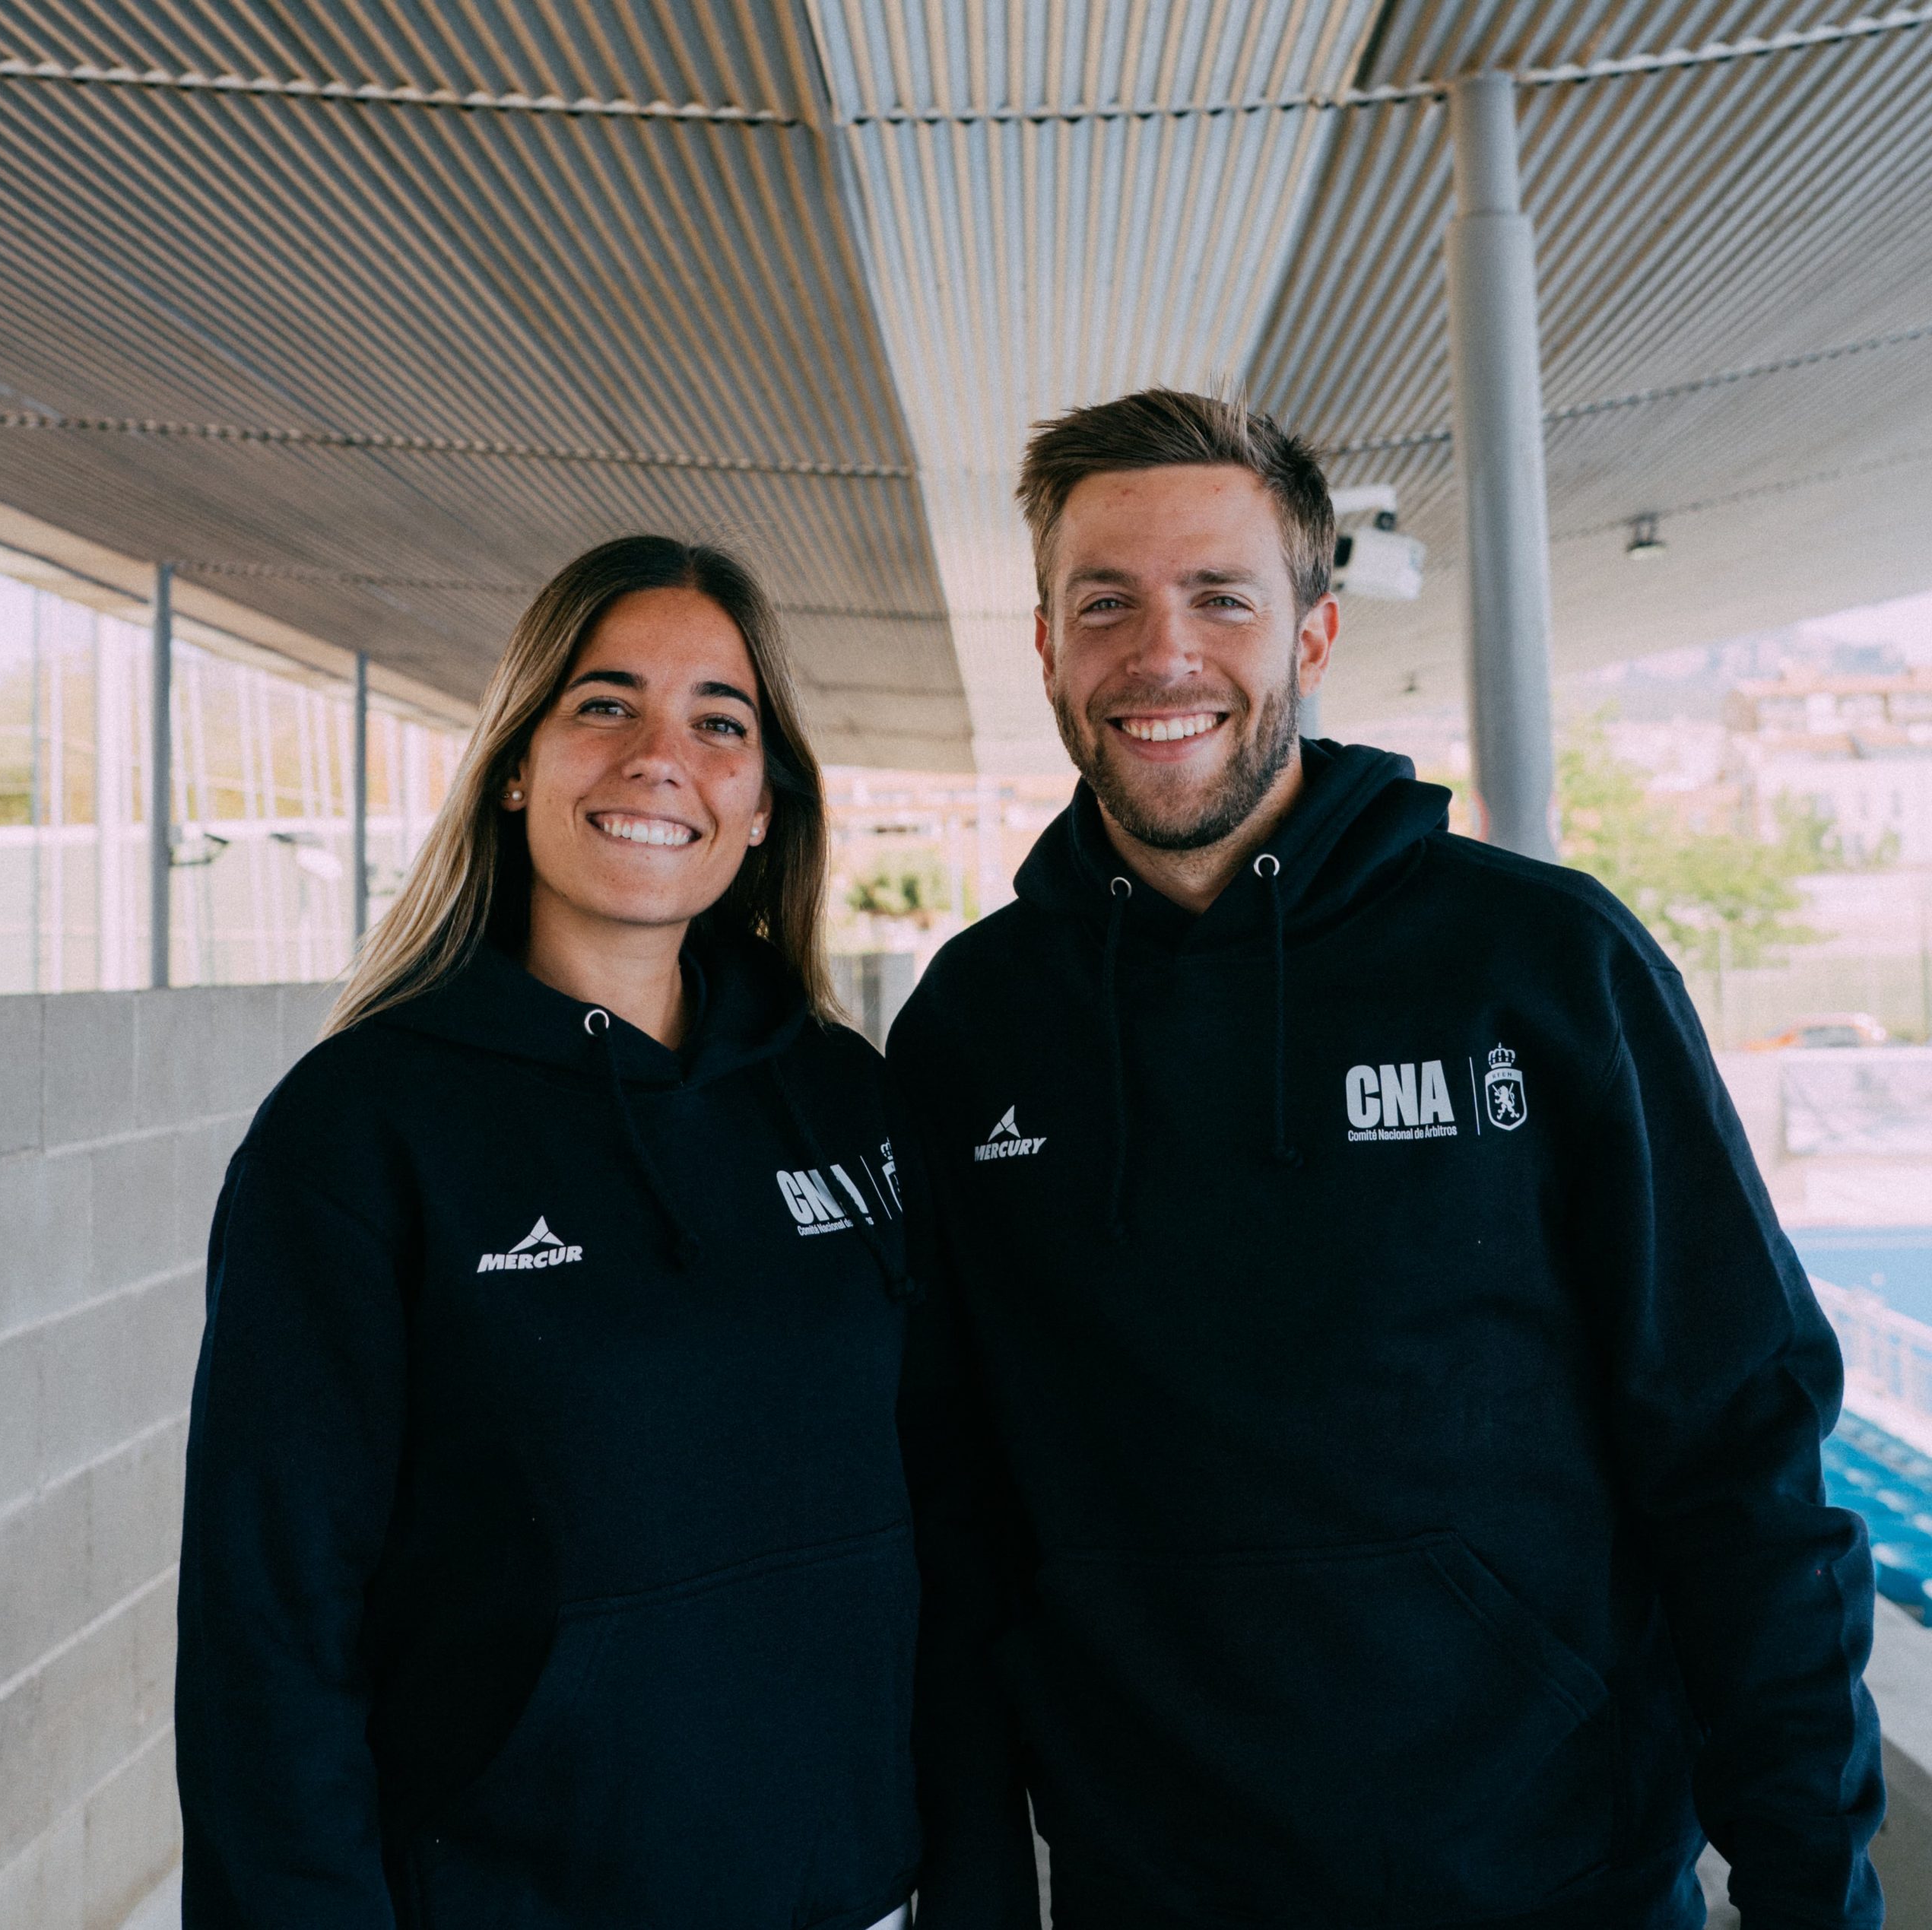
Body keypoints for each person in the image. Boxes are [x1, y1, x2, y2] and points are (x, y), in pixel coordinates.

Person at [887, 389, 1884, 1929]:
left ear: (1311, 635)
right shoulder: (976, 1027)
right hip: (1146, 1892)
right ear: (1044, 645)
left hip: (1546, 1882)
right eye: (1105, 603)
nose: (1162, 653)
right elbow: (953, 1511)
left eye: (1219, 596)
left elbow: (1734, 1451)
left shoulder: (1540, 965)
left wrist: (1810, 1890)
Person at [176, 536, 918, 1930]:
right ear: (517, 762)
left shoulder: (842, 1097)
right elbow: (268, 1624)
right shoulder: (359, 1131)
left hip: (848, 1891)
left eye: (719, 723)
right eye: (604, 703)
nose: (660, 757)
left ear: (764, 804)